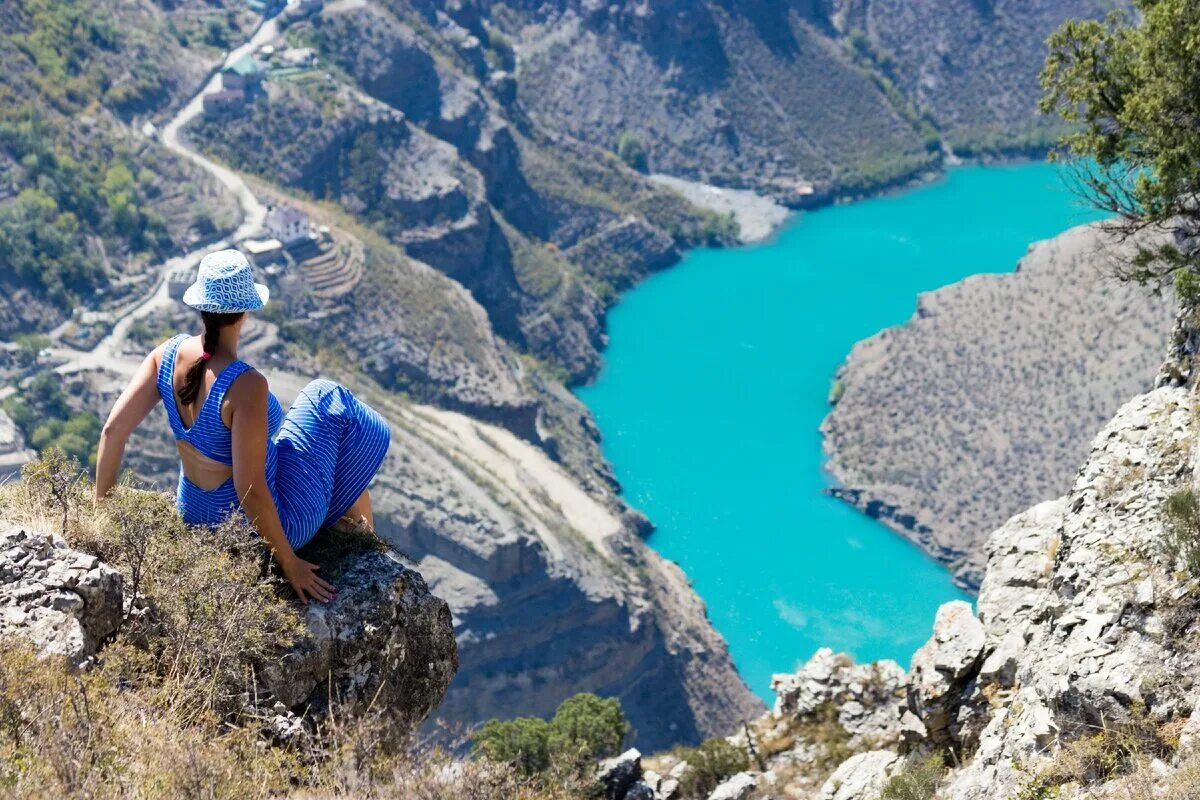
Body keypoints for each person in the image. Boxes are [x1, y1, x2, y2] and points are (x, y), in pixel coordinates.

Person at [94, 249, 391, 603]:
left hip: (194, 514)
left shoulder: (165, 355)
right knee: (328, 397)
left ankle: (357, 533)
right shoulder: (246, 385)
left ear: (201, 306)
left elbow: (112, 430)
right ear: (246, 312)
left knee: (320, 436)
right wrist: (289, 562)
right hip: (257, 530)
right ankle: (368, 549)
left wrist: (102, 513)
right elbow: (249, 486)